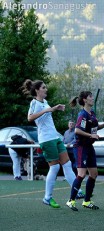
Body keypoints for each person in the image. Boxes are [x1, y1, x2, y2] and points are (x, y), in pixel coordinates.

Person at [22, 79, 84, 208]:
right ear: (37, 90)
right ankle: (47, 198)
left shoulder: (44, 102)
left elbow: (46, 115)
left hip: (55, 137)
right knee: (55, 167)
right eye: (44, 87)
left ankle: (77, 190)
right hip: (46, 139)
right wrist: (48, 110)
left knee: (67, 164)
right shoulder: (34, 102)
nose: (46, 89)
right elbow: (30, 117)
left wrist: (54, 108)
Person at [66, 91, 104, 211]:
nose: (92, 98)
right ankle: (71, 200)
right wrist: (91, 136)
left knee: (94, 174)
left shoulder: (91, 113)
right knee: (81, 174)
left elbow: (95, 127)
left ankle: (86, 201)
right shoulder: (83, 114)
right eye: (90, 97)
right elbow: (77, 130)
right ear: (85, 100)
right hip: (80, 147)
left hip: (89, 147)